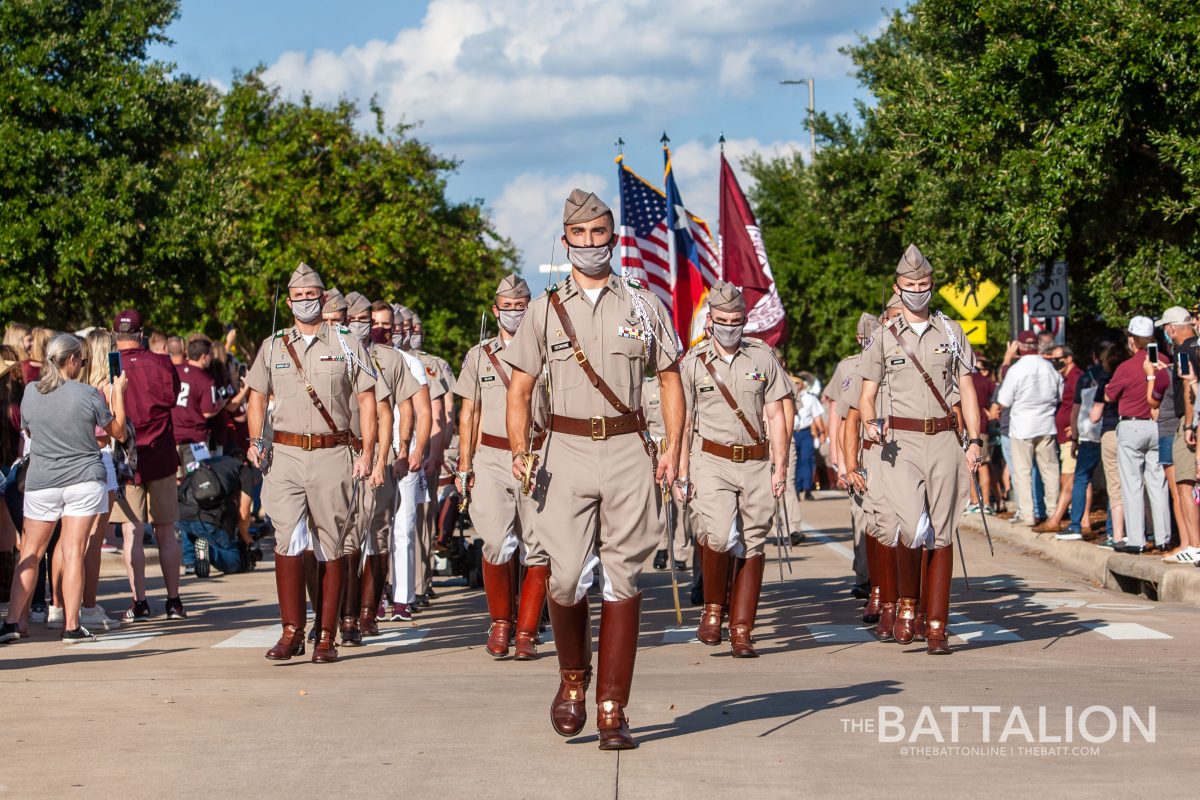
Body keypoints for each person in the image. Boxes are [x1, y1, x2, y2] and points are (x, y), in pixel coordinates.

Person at [503, 188, 684, 750]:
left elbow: (671, 379)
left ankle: (612, 708)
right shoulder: (545, 309)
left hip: (629, 450)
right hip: (564, 450)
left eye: (598, 233)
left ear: (612, 237)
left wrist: (672, 447)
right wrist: (518, 449)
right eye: (578, 235)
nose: (588, 244)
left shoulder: (645, 306)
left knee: (624, 578)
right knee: (562, 576)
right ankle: (572, 678)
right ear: (565, 241)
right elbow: (521, 387)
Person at [246, 262, 378, 663]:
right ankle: (291, 631)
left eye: (312, 296)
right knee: (286, 541)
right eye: (299, 297)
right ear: (289, 303)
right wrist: (255, 440)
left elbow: (367, 399)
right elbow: (255, 395)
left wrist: (368, 451)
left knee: (331, 543)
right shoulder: (272, 346)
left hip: (332, 453)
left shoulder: (345, 343)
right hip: (284, 453)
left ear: (323, 299)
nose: (305, 302)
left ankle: (326, 634)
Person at [858, 244, 983, 656]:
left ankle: (936, 626)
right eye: (911, 285)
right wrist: (870, 421)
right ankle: (907, 604)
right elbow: (867, 393)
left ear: (932, 286)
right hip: (900, 443)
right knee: (911, 527)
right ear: (898, 287)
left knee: (943, 533)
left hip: (945, 439)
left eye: (924, 284)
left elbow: (966, 388)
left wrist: (975, 440)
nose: (918, 290)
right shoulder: (882, 338)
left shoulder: (951, 332)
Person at [676, 282, 790, 657]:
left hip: (756, 461)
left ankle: (742, 628)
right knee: (720, 535)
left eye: (736, 320)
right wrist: (681, 471)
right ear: (710, 321)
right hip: (711, 460)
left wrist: (781, 464)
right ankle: (712, 610)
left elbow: (776, 413)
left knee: (754, 540)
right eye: (722, 320)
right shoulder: (693, 363)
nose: (729, 327)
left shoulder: (762, 357)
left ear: (745, 320)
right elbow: (684, 419)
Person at [1, 334, 127, 643]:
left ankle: (13, 622)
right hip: (83, 478)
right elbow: (118, 432)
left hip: (42, 479)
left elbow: (29, 430)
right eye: (81, 361)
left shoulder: (31, 392)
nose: (82, 365)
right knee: (73, 551)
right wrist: (118, 393)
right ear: (71, 361)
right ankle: (71, 626)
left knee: (30, 551)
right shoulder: (88, 394)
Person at [454, 274, 552, 659]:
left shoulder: (548, 351)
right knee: (496, 541)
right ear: (495, 311)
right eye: (507, 308)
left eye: (521, 306)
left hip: (538, 455)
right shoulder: (479, 355)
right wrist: (464, 464)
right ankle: (501, 623)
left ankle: (527, 630)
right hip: (491, 458)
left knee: (539, 546)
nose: (514, 313)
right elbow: (469, 413)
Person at [336, 291, 420, 646]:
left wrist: (395, 455)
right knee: (344, 537)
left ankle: (368, 611)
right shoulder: (333, 352)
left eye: (362, 319)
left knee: (379, 534)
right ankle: (347, 614)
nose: (358, 325)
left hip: (378, 457)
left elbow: (401, 409)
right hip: (339, 454)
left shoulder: (388, 358)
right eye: (351, 319)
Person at [110, 309, 187, 621]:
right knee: (166, 531)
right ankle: (173, 601)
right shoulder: (161, 362)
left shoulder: (110, 367)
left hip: (126, 457)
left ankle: (139, 601)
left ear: (116, 336)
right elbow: (172, 398)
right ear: (141, 334)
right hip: (161, 454)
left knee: (131, 532)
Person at [1105, 316, 1172, 554]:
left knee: (1132, 484)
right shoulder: (1164, 361)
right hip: (1158, 426)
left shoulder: (1126, 366)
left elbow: (1109, 396)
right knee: (1158, 483)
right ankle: (1163, 537)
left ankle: (1137, 539)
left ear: (1132, 341)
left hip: (1132, 427)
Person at [824, 312, 880, 595]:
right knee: (860, 514)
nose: (868, 342)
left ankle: (885, 577)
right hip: (855, 446)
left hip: (883, 446)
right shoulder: (848, 368)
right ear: (858, 339)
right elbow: (838, 414)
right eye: (865, 338)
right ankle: (863, 576)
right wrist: (840, 460)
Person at [996, 331, 1063, 527]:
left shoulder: (1016, 370)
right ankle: (1053, 512)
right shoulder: (1049, 368)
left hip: (1022, 426)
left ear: (1020, 347)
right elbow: (1059, 395)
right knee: (1050, 471)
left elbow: (1005, 400)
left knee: (1022, 472)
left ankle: (1027, 514)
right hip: (1046, 424)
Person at [1158, 307, 1200, 562]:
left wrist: (1188, 425)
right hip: (1192, 420)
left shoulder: (1185, 350)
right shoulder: (1193, 347)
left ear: (1172, 327)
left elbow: (1188, 385)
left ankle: (1194, 545)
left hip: (1189, 422)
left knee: (1184, 484)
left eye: (1165, 327)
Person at [1064, 341, 1113, 539]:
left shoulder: (1086, 377)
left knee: (1082, 478)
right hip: (1112, 431)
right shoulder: (1116, 374)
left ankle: (1075, 524)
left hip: (1089, 434)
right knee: (1114, 482)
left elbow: (1076, 410)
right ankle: (1113, 529)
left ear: (1094, 356)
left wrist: (1074, 437)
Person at [1035, 345, 1084, 534]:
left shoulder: (1077, 376)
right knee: (1074, 477)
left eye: (1058, 358)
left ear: (1069, 358)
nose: (1054, 362)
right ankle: (1081, 519)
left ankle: (1057, 519)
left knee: (1069, 477)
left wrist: (1077, 426)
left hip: (1073, 437)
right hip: (1063, 436)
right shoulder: (1063, 378)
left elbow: (1082, 402)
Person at [173, 336, 220, 473]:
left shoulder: (174, 370)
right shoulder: (206, 379)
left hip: (172, 438)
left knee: (175, 485)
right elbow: (207, 412)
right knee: (198, 481)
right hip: (195, 439)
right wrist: (220, 404)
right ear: (203, 357)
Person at [964, 355, 996, 514]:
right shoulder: (985, 381)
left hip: (966, 426)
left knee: (969, 465)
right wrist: (991, 410)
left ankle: (975, 500)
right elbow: (997, 393)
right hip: (982, 427)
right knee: (983, 466)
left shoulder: (962, 379)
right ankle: (987, 502)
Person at [792, 372, 824, 500]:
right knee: (795, 462)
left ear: (802, 384)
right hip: (792, 433)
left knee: (806, 460)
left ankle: (807, 489)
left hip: (805, 433)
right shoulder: (787, 396)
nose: (795, 385)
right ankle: (795, 488)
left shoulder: (810, 398)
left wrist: (822, 432)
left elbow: (817, 417)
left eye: (797, 383)